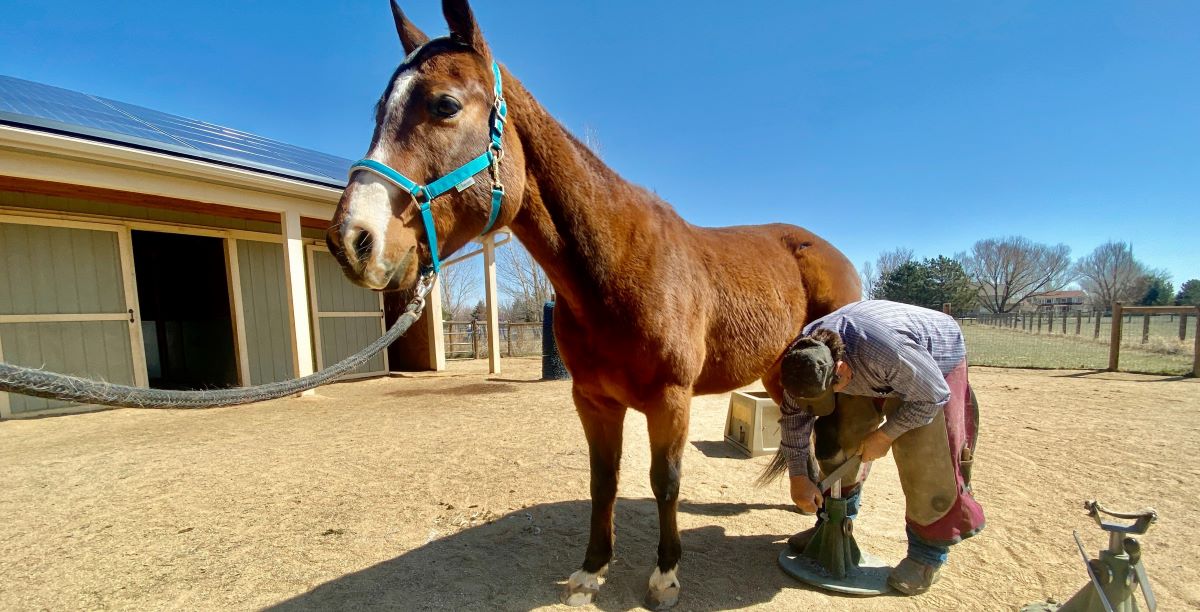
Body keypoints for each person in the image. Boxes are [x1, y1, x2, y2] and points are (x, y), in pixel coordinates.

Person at [777, 300, 984, 595]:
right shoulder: (802, 360)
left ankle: (927, 556)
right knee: (836, 437)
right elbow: (795, 419)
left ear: (840, 369)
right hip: (867, 369)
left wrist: (886, 435)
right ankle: (832, 528)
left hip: (930, 364)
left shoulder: (886, 351)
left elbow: (931, 396)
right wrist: (798, 474)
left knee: (924, 454)